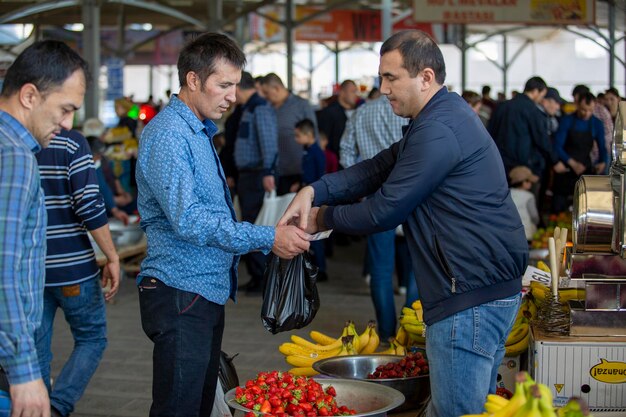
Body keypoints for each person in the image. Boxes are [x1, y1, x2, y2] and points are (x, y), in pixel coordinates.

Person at [279, 30, 527, 417]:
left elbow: (384, 210)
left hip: (469, 296)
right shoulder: (438, 117)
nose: (382, 88)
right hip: (483, 288)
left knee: (456, 412)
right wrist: (317, 190)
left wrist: (318, 218)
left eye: (391, 77)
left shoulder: (439, 129)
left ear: (425, 77)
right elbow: (378, 167)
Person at [135, 33, 310, 417]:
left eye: (235, 85)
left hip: (204, 290)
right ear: (193, 80)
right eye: (224, 85)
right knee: (177, 409)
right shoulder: (169, 135)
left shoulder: (197, 132)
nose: (232, 96)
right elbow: (189, 220)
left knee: (197, 405)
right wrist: (267, 238)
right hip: (181, 289)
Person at [0, 39, 88, 417]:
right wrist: (24, 373)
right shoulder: (15, 157)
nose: (68, 124)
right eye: (65, 109)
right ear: (30, 96)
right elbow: (5, 268)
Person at [35, 129, 120, 417]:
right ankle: (57, 407)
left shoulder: (13, 138)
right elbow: (89, 205)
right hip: (73, 269)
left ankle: (38, 407)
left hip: (30, 270)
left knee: (37, 349)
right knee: (92, 338)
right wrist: (111, 255)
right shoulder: (71, 142)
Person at [339, 94, 416, 341]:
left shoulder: (361, 113)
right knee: (418, 265)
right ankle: (410, 329)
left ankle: (385, 332)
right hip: (411, 191)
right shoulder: (409, 108)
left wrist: (359, 189)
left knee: (381, 269)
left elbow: (346, 152)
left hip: (375, 195)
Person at [233, 71, 279, 295]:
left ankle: (263, 279)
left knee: (257, 226)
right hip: (247, 175)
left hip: (257, 175)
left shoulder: (260, 108)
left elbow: (269, 143)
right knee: (249, 224)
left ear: (239, 87)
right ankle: (255, 276)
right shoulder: (247, 108)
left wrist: (268, 171)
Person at [488, 76, 567, 204]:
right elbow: (541, 140)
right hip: (524, 169)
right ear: (536, 91)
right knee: (524, 207)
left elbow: (489, 134)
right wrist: (555, 161)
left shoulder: (501, 107)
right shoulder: (533, 111)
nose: (541, 99)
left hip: (499, 166)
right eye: (542, 95)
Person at [259, 73, 318, 194]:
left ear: (276, 88)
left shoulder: (301, 105)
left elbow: (313, 135)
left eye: (266, 93)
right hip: (276, 171)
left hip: (299, 171)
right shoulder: (266, 108)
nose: (265, 97)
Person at [552, 92, 607, 213]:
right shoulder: (567, 120)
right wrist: (572, 163)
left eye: (590, 110)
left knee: (585, 208)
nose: (586, 113)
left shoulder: (596, 124)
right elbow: (557, 146)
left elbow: (602, 147)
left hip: (585, 168)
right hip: (566, 167)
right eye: (583, 110)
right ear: (577, 105)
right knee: (559, 207)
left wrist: (603, 161)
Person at [294, 118, 327, 281]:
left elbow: (319, 176)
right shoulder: (307, 150)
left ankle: (321, 269)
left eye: (298, 136)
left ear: (308, 134)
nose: (296, 140)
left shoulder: (317, 153)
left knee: (315, 235)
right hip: (307, 192)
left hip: (315, 197)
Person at [316, 79, 359, 162]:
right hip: (336, 163)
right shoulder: (329, 112)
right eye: (353, 91)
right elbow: (324, 140)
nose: (356, 95)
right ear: (342, 93)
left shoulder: (359, 111)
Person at [508, 166, 540, 242]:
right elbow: (534, 215)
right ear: (524, 182)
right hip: (526, 233)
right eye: (529, 181)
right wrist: (537, 222)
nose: (531, 184)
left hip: (510, 232)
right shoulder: (529, 196)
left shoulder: (508, 193)